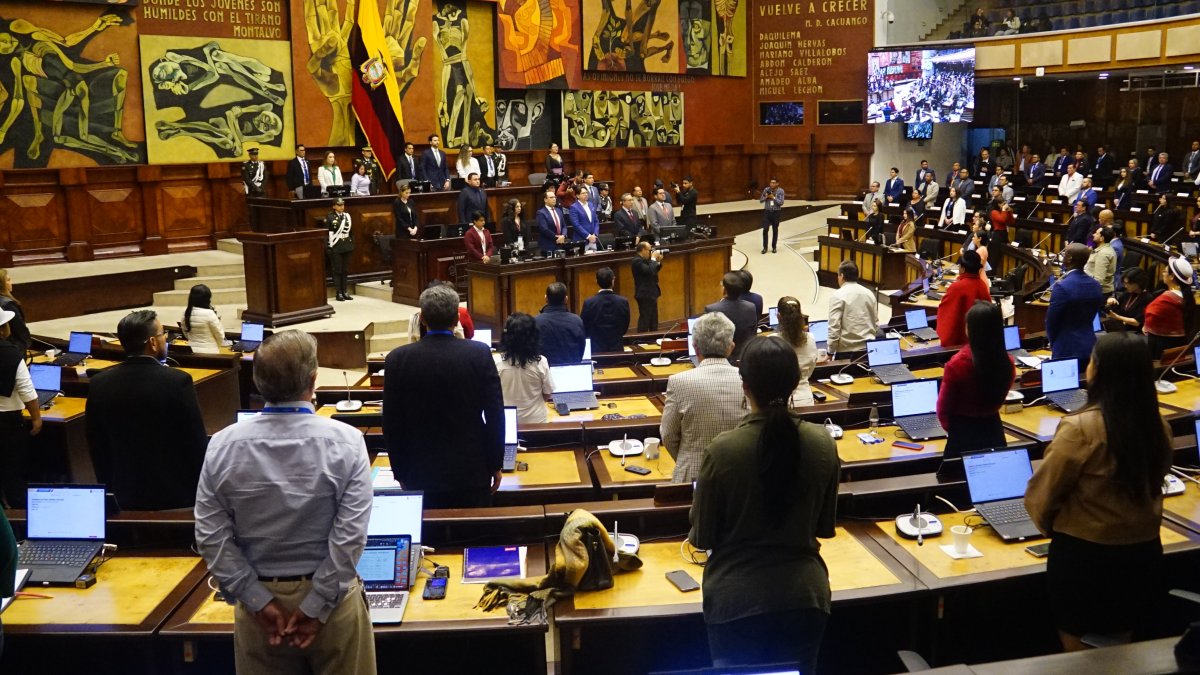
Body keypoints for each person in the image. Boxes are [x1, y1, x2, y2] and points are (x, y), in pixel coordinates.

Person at [195, 330, 375, 674]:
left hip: (259, 604)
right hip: (333, 605)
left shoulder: (221, 446)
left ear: (258, 382)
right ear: (313, 380)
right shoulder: (348, 442)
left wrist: (256, 600)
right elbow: (349, 539)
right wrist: (315, 606)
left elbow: (210, 536)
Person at [689, 335, 839, 671]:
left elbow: (702, 538)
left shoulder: (723, 449)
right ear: (795, 382)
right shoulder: (823, 443)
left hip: (736, 602)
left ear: (744, 385)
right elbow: (824, 526)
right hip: (806, 597)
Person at [1025, 332, 1172, 652]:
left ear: (1100, 370)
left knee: (1078, 656)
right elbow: (1158, 477)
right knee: (1123, 649)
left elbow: (1044, 493)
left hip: (1084, 560)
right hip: (1143, 554)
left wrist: (1056, 529)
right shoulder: (1158, 424)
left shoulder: (1080, 428)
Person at [384, 284, 503, 508]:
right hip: (472, 468)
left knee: (428, 540)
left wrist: (399, 471)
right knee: (474, 538)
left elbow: (392, 423)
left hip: (419, 471)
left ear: (422, 319)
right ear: (457, 318)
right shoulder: (478, 354)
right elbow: (495, 413)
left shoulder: (397, 359)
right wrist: (496, 462)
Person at [86, 310, 207, 511]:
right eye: (163, 335)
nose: (165, 340)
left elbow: (97, 445)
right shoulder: (177, 381)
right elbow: (195, 442)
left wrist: (109, 490)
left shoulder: (99, 383)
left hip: (124, 495)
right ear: (152, 342)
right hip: (175, 496)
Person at [660, 312, 745, 483]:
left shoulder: (679, 382)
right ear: (731, 347)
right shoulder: (748, 380)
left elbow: (668, 435)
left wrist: (687, 457)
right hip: (740, 474)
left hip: (692, 474)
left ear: (695, 347)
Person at [937, 301, 1014, 461]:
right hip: (994, 431)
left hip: (963, 436)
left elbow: (943, 409)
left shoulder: (957, 365)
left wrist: (956, 429)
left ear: (970, 329)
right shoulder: (1008, 362)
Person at [0, 308, 39, 509]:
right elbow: (27, 391)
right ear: (2, 329)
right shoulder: (11, 354)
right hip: (8, 425)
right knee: (13, 476)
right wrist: (37, 418)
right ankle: (20, 523)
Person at [1046, 244, 1106, 366]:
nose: (1062, 257)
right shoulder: (1095, 285)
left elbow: (1051, 321)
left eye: (1064, 254)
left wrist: (1054, 343)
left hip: (1065, 348)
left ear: (1069, 258)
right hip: (1090, 345)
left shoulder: (1062, 287)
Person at [495, 313, 553, 425]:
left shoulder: (496, 362)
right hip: (537, 422)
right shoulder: (541, 362)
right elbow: (547, 394)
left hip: (507, 422)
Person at [936, 250, 991, 347]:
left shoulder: (957, 287)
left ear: (963, 268)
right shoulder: (982, 285)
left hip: (958, 347)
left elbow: (947, 321)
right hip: (980, 345)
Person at [1144, 256, 1196, 359]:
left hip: (1161, 346)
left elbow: (1150, 317)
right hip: (1180, 343)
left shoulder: (1166, 299)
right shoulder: (1187, 296)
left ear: (1172, 276)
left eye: (1165, 271)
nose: (1163, 273)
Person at [772, 297, 817, 406]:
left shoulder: (771, 341)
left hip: (779, 402)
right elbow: (810, 370)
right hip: (806, 400)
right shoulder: (810, 338)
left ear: (778, 317)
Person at [706, 272, 758, 362]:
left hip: (723, 360)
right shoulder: (751, 307)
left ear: (724, 289)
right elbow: (753, 333)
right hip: (746, 358)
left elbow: (709, 339)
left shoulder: (712, 309)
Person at [827, 260, 876, 354]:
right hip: (869, 350)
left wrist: (830, 351)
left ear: (841, 276)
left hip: (847, 352)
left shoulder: (838, 295)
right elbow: (876, 323)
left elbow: (834, 326)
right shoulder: (869, 293)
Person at [581, 267, 630, 354]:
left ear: (596, 281)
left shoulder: (589, 303)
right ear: (613, 281)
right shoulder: (623, 302)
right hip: (617, 350)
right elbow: (624, 327)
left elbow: (584, 327)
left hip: (595, 351)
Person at [534, 282, 585, 365]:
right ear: (566, 299)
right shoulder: (576, 321)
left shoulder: (535, 322)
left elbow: (534, 352)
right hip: (571, 370)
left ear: (546, 298)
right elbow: (581, 350)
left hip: (544, 373)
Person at [181, 284, 226, 353]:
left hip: (191, 352)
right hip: (210, 353)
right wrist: (216, 345)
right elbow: (220, 335)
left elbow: (185, 332)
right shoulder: (209, 313)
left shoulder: (186, 312)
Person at [325, 198, 354, 301]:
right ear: (334, 206)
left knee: (345, 270)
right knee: (337, 270)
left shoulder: (347, 216)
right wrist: (328, 248)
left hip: (346, 245)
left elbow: (351, 232)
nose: (342, 207)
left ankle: (345, 291)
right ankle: (339, 293)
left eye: (342, 205)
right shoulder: (330, 217)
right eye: (339, 205)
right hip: (336, 246)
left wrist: (351, 244)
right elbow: (326, 234)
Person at [1105, 267, 1152, 332]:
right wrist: (1112, 299)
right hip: (1121, 329)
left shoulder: (1147, 298)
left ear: (1139, 283)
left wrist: (1117, 317)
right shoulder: (1127, 293)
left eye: (1128, 283)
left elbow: (1136, 322)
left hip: (1135, 333)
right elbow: (1117, 308)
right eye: (1124, 283)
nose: (1125, 285)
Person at [632, 242, 663, 331]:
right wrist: (653, 259)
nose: (651, 252)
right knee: (645, 320)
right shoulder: (637, 261)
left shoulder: (645, 260)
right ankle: (642, 341)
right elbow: (649, 271)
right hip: (644, 294)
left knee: (653, 320)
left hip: (651, 293)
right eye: (649, 250)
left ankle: (653, 339)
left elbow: (653, 271)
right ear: (643, 250)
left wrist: (658, 261)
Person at [0, 270, 29, 354]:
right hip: (12, 350)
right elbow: (21, 331)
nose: (11, 282)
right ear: (1, 285)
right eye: (8, 280)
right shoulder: (8, 304)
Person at [1086, 226, 1118, 296]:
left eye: (1097, 234)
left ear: (1102, 238)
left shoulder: (1103, 254)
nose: (1093, 235)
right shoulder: (1104, 249)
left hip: (1098, 293)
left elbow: (1098, 280)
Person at [569, 186, 600, 251]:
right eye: (583, 193)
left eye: (586, 193)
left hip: (593, 239)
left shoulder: (591, 205)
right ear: (577, 195)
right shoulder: (574, 207)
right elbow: (576, 224)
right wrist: (588, 236)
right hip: (581, 240)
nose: (586, 194)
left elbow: (596, 221)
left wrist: (595, 234)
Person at [759, 177, 784, 254]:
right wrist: (766, 197)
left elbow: (781, 202)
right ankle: (765, 247)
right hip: (767, 212)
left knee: (775, 230)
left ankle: (774, 247)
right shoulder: (766, 190)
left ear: (777, 183)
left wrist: (773, 197)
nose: (772, 184)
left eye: (773, 183)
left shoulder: (780, 191)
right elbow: (761, 200)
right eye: (771, 182)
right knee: (765, 229)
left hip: (776, 212)